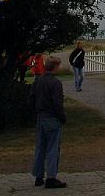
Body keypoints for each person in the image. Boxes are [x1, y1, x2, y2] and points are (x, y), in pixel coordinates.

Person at [31, 56, 67, 189]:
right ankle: (51, 177)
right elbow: (57, 103)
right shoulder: (55, 83)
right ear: (55, 67)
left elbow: (32, 97)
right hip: (52, 117)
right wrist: (62, 117)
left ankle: (38, 176)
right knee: (53, 147)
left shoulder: (38, 80)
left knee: (40, 147)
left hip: (40, 116)